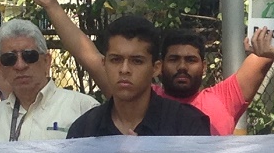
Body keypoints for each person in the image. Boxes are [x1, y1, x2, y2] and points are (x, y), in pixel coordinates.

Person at [32, 0, 274, 135]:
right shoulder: (136, 91)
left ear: (204, 65)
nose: (182, 66)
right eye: (174, 59)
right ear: (158, 67)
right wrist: (52, 6)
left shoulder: (223, 100)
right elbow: (86, 53)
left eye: (190, 60)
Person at [66, 14, 212, 137]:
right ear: (104, 64)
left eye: (137, 61)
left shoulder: (186, 124)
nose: (124, 69)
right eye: (115, 60)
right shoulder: (83, 130)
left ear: (156, 68)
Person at [0, 17, 97, 142]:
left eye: (29, 56)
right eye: (10, 59)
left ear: (46, 61)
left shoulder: (82, 108)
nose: (20, 66)